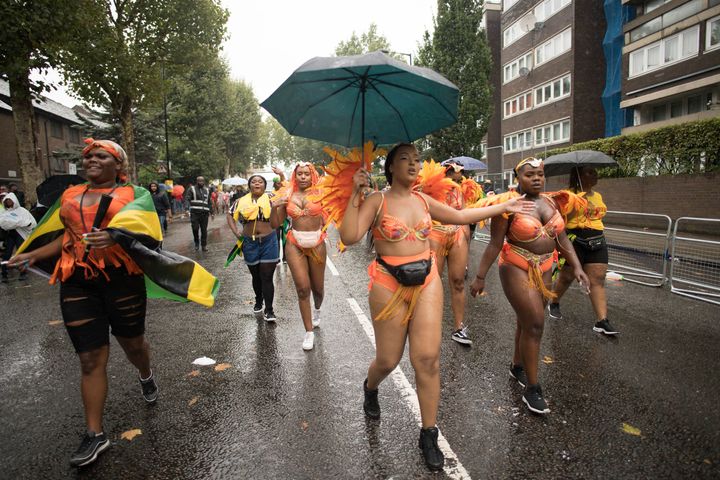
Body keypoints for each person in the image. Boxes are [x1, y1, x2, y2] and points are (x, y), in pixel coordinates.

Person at [339, 143, 534, 471]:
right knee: (388, 360)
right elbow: (351, 235)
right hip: (388, 284)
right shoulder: (377, 200)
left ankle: (428, 433)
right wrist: (354, 196)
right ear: (390, 168)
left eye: (416, 160)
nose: (414, 165)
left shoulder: (423, 200)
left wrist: (503, 204)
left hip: (427, 279)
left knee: (427, 359)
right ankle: (370, 387)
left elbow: (460, 216)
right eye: (405, 159)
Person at [7, 139, 159, 467]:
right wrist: (32, 253)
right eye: (88, 156)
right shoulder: (70, 195)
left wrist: (117, 236)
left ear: (118, 165)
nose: (91, 160)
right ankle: (95, 434)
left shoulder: (136, 196)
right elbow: (69, 235)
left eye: (100, 156)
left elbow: (150, 234)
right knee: (90, 359)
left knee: (133, 346)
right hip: (77, 282)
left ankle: (145, 373)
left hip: (122, 281)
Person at [469, 157, 589, 415]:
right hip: (515, 266)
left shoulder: (551, 202)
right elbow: (494, 243)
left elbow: (563, 239)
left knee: (525, 323)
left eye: (540, 174)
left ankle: (517, 366)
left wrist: (577, 267)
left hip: (546, 268)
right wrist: (480, 276)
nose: (536, 178)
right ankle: (533, 389)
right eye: (529, 174)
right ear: (517, 178)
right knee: (535, 322)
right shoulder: (508, 207)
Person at [549, 166, 617, 335]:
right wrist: (576, 199)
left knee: (598, 278)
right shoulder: (566, 195)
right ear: (578, 175)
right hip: (574, 238)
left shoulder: (598, 196)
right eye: (590, 172)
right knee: (567, 277)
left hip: (597, 238)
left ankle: (602, 321)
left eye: (595, 171)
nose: (595, 174)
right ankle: (554, 302)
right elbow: (559, 218)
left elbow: (598, 215)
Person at [270, 162, 327, 351]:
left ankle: (317, 309)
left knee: (318, 290)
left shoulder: (321, 193)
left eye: (306, 174)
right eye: (300, 174)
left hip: (317, 243)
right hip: (295, 243)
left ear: (312, 176)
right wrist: (274, 207)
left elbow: (332, 214)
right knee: (303, 289)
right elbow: (275, 224)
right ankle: (308, 332)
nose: (303, 177)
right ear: (296, 176)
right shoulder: (287, 194)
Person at [427, 161, 473, 345]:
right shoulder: (430, 188)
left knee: (458, 282)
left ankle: (459, 328)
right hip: (435, 234)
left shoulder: (459, 190)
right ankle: (429, 327)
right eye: (454, 171)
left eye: (460, 172)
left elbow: (463, 215)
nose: (458, 175)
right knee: (432, 283)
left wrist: (466, 240)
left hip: (457, 234)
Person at [227, 174, 279, 322]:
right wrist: (236, 232)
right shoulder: (240, 201)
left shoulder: (272, 198)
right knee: (256, 276)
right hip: (249, 243)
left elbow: (284, 204)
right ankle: (258, 300)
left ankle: (269, 310)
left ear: (264, 185)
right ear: (249, 185)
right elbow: (230, 215)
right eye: (254, 181)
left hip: (269, 241)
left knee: (267, 276)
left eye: (260, 181)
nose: (257, 184)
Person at [0, 192, 36, 282]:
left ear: (14, 201)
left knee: (21, 254)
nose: (8, 202)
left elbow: (30, 222)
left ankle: (23, 273)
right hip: (11, 235)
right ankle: (4, 274)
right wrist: (19, 223)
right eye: (7, 201)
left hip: (21, 235)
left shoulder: (22, 211)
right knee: (7, 254)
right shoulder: (5, 213)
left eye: (10, 200)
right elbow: (4, 224)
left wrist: (15, 222)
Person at [185, 176, 213, 251]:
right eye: (199, 181)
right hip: (195, 213)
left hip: (205, 214)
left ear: (204, 181)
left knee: (204, 230)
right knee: (195, 228)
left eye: (202, 181)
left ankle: (204, 245)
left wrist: (212, 212)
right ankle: (196, 243)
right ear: (197, 181)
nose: (201, 182)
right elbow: (187, 199)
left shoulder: (207, 190)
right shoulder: (192, 189)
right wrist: (187, 209)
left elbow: (209, 202)